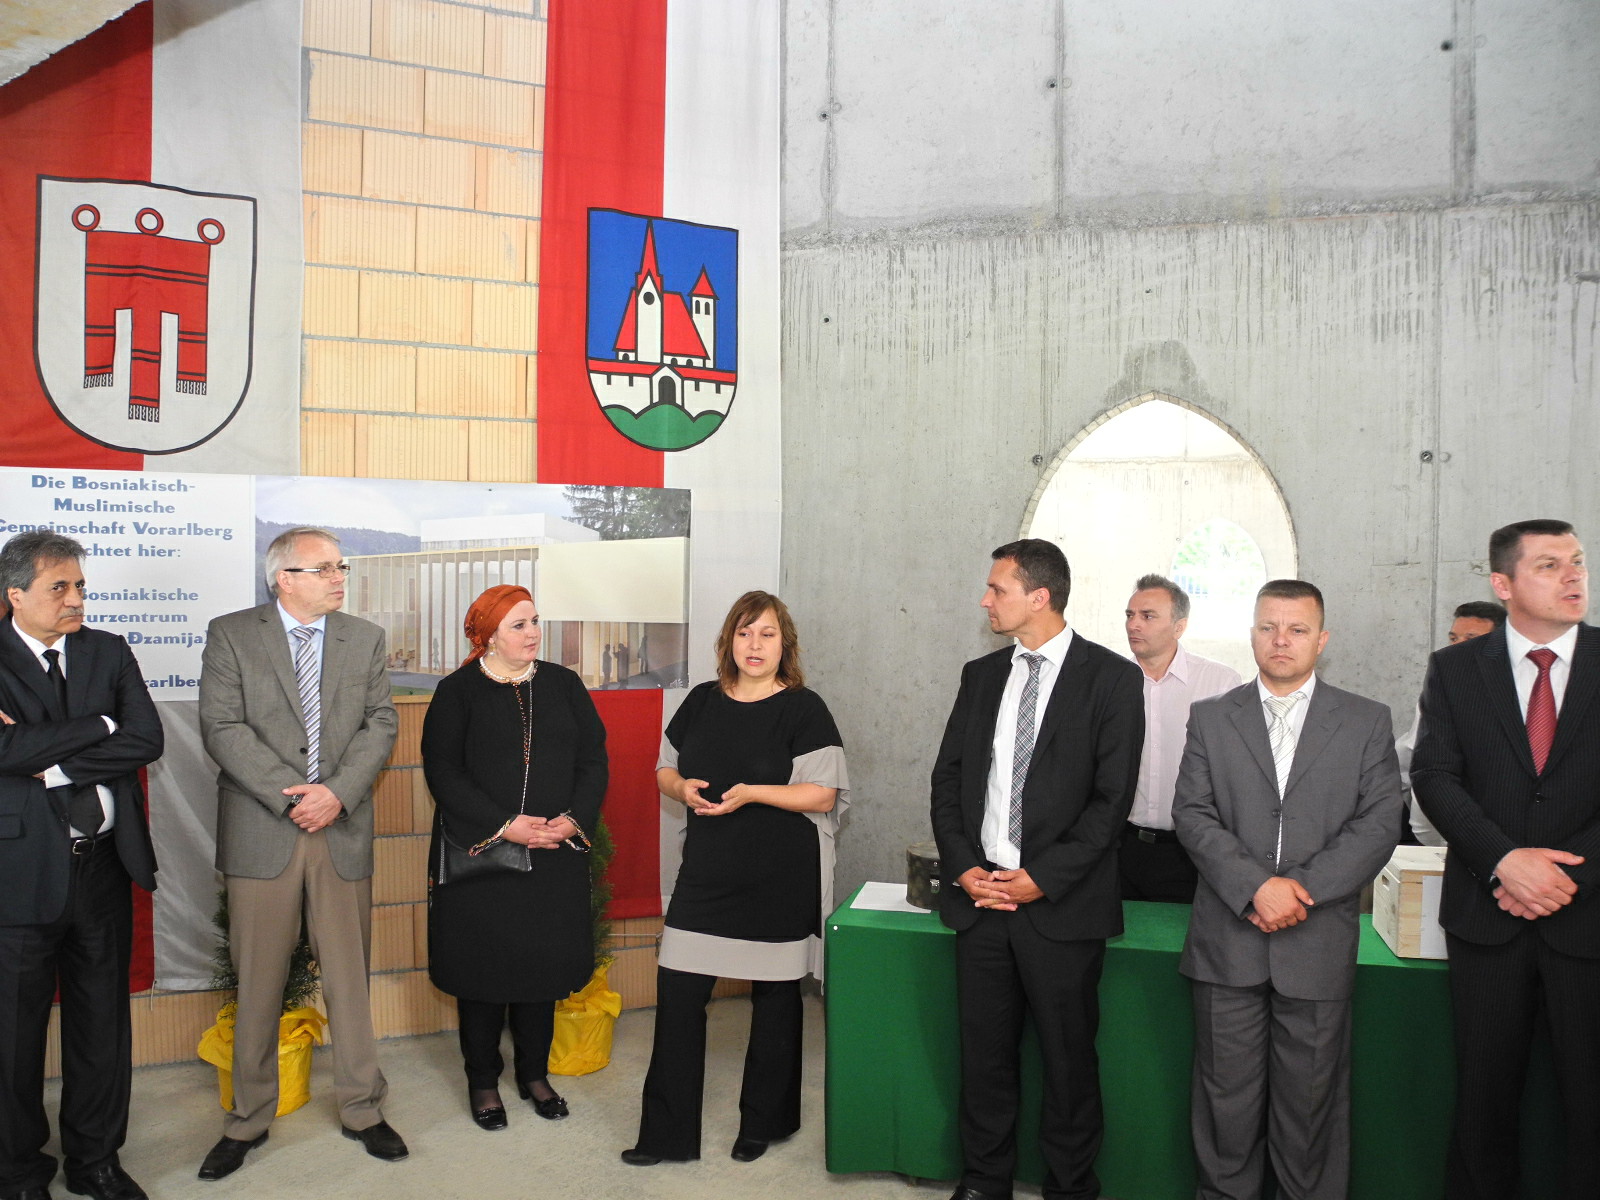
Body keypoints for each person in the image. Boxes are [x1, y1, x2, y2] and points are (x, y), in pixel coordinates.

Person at [1173, 579, 1402, 1200]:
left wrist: (1297, 889)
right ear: (1252, 634)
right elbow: (1192, 814)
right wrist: (1255, 888)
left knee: (1310, 1110)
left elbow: (1380, 823)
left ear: (1321, 640)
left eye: (1297, 629)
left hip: (1316, 941)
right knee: (1225, 1106)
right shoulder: (1211, 717)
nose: (1281, 640)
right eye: (1269, 627)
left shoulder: (1365, 720)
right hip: (1228, 942)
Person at [929, 539, 1144, 1200]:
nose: (985, 600)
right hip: (982, 900)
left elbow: (1112, 802)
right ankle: (984, 1181)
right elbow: (947, 782)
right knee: (984, 1059)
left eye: (998, 589)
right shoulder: (981, 676)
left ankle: (1071, 1185)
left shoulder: (1112, 679)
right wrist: (964, 868)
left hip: (1061, 906)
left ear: (1040, 596)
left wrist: (1042, 877)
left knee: (1068, 1061)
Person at [196, 528, 402, 1179]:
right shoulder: (232, 634)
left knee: (348, 981)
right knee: (258, 982)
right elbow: (221, 726)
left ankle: (362, 1109)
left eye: (341, 567)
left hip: (340, 828)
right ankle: (247, 1118)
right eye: (324, 569)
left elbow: (381, 722)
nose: (339, 578)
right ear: (283, 578)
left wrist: (335, 794)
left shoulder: (363, 638)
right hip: (264, 829)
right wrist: (294, 798)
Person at [622, 591, 847, 1167]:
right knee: (678, 995)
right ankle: (665, 1136)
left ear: (784, 644)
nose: (754, 645)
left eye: (767, 634)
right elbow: (664, 769)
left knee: (775, 1004)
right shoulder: (701, 700)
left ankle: (765, 1124)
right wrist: (681, 789)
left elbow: (823, 793)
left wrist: (752, 793)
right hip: (707, 874)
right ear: (728, 641)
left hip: (780, 876)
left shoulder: (804, 708)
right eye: (744, 633)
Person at [1413, 520, 1600, 1200]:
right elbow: (1434, 776)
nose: (1573, 575)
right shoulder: (1457, 669)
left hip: (1589, 919)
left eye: (1577, 561)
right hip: (1487, 919)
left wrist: (1563, 877)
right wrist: (1503, 861)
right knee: (1484, 1105)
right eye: (1549, 565)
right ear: (1503, 583)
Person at [0, 530, 162, 1200]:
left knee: (101, 1025)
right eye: (58, 587)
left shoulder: (108, 650)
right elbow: (4, 753)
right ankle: (17, 1172)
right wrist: (100, 725)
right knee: (13, 1035)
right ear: (15, 595)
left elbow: (146, 738)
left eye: (80, 586)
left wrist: (52, 760)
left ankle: (95, 1161)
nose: (75, 599)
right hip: (18, 873)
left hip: (103, 866)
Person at [421, 584, 606, 1131]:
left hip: (553, 852)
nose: (533, 633)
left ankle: (534, 1075)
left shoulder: (564, 684)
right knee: (483, 972)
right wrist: (506, 827)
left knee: (541, 970)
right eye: (519, 625)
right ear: (488, 636)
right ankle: (483, 1081)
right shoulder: (457, 692)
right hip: (483, 857)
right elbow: (443, 771)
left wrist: (573, 819)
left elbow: (594, 760)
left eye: (535, 621)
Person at [1121, 573, 1241, 902]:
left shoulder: (1220, 683)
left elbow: (1235, 772)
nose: (1134, 625)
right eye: (1130, 615)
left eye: (1148, 616)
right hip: (1121, 847)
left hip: (1194, 852)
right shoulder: (1112, 682)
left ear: (1179, 627)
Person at [1394, 600, 1505, 846]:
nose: (1457, 647)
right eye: (1453, 638)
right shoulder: (1440, 693)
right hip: (1431, 835)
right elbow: (1409, 757)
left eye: (1471, 639)